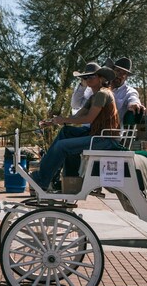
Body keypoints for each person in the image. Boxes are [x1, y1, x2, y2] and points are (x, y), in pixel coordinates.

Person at [33, 63, 120, 192]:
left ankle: (42, 180)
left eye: (92, 76)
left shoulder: (103, 94)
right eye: (85, 77)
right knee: (66, 131)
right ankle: (66, 179)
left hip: (105, 139)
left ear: (101, 78)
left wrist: (63, 120)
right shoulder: (94, 96)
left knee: (62, 146)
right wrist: (53, 122)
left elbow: (88, 119)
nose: (88, 79)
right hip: (97, 135)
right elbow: (77, 116)